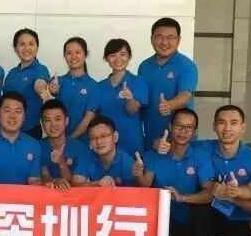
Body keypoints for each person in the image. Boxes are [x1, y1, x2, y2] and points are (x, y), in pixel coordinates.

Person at [133, 108, 213, 236]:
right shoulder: (154, 155)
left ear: (195, 131)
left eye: (189, 127)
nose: (183, 131)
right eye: (179, 126)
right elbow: (145, 184)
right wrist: (138, 173)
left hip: (188, 222)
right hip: (160, 222)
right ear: (170, 126)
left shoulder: (201, 156)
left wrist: (183, 198)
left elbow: (209, 193)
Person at [187, 105, 251, 236]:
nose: (227, 128)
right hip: (215, 214)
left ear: (243, 127)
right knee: (196, 212)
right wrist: (158, 143)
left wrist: (231, 196)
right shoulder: (203, 148)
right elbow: (178, 142)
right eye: (222, 123)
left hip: (242, 220)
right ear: (214, 126)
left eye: (234, 123)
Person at [138, 18, 198, 149]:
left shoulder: (187, 66)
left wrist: (170, 105)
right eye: (159, 37)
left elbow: (186, 95)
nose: (164, 42)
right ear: (152, 39)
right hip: (151, 138)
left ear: (179, 40)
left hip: (180, 140)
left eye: (170, 37)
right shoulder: (144, 66)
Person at [97, 38, 149, 156]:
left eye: (123, 54)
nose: (118, 59)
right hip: (106, 147)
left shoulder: (138, 81)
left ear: (129, 56)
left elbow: (132, 110)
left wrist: (130, 99)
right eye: (112, 55)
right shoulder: (99, 86)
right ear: (106, 58)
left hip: (132, 145)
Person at [49, 37, 99, 142]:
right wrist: (52, 91)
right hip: (57, 141)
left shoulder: (93, 85)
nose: (73, 56)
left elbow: (89, 117)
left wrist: (70, 140)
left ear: (85, 54)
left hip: (82, 143)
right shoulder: (58, 81)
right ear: (64, 56)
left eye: (78, 52)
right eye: (69, 53)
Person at [3, 28, 51, 139]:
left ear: (37, 47)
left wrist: (42, 91)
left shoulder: (41, 69)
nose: (27, 48)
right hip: (8, 128)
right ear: (15, 48)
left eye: (31, 44)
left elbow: (40, 83)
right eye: (22, 44)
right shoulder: (11, 73)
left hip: (30, 130)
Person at [71, 115, 136, 187]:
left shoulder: (127, 162)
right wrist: (96, 184)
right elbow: (75, 185)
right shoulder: (87, 156)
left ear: (115, 137)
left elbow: (133, 191)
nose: (98, 142)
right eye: (94, 138)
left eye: (103, 136)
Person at [38, 99, 89, 190]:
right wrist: (56, 180)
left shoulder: (82, 149)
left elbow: (76, 185)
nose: (53, 125)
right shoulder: (37, 147)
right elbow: (44, 176)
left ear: (66, 121)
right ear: (42, 123)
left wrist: (61, 163)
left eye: (58, 119)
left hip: (73, 197)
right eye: (48, 120)